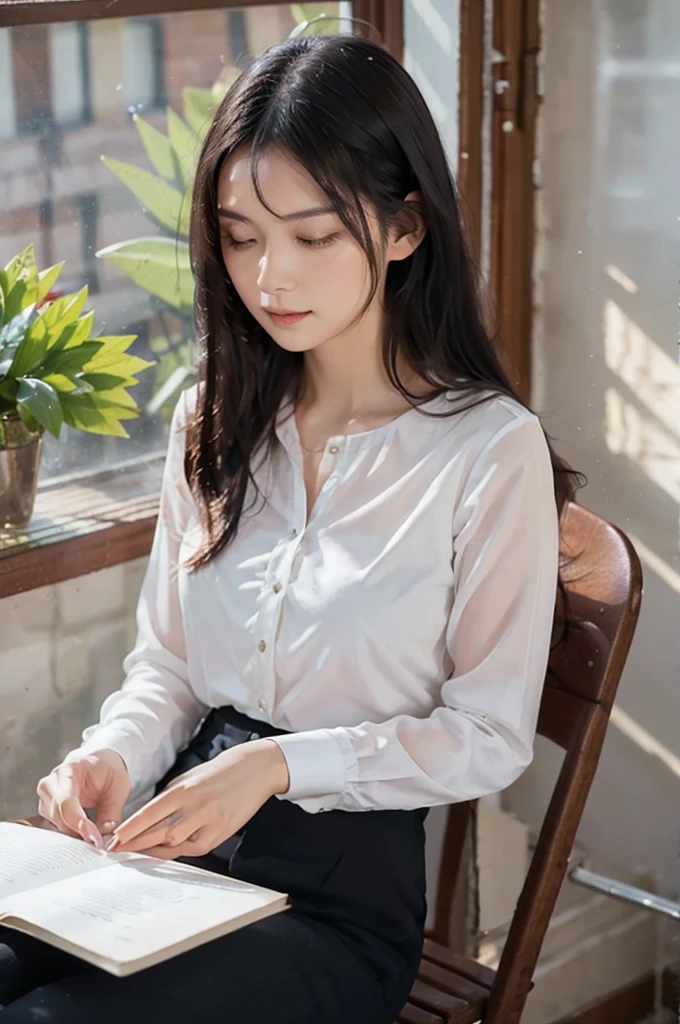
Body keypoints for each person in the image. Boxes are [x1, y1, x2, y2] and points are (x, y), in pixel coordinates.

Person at [0, 30, 579, 1024]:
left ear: (403, 228)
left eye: (312, 237)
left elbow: (485, 737)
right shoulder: (215, 418)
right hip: (164, 845)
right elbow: (169, 668)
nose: (268, 275)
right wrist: (114, 757)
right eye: (238, 235)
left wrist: (275, 763)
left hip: (334, 902)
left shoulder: (486, 452)